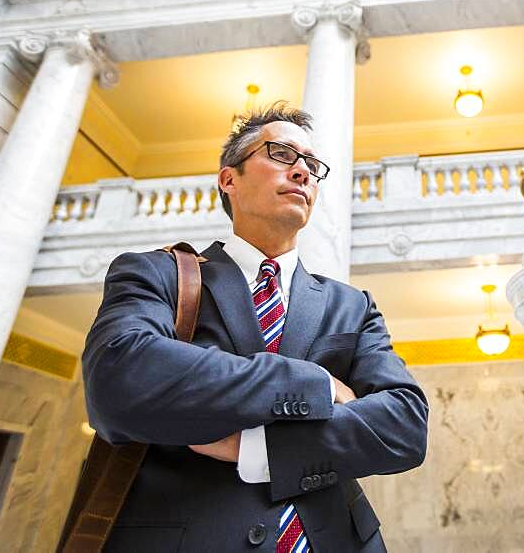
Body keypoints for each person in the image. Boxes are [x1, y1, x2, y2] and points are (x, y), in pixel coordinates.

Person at [82, 103, 428, 552]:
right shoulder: (157, 274)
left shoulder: (353, 306)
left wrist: (257, 450)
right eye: (282, 154)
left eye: (312, 164)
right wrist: (318, 383)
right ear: (229, 179)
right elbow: (120, 379)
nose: (303, 172)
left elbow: (404, 424)